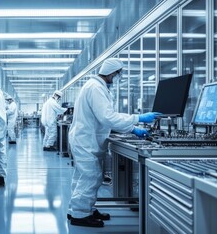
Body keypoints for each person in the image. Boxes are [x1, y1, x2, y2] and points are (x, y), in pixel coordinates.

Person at [67, 58, 160, 227]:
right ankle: (80, 215)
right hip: (85, 140)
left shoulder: (97, 87)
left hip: (86, 139)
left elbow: (106, 115)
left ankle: (81, 208)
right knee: (91, 176)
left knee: (83, 176)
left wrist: (131, 127)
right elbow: (107, 117)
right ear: (112, 73)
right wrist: (137, 120)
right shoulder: (95, 88)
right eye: (119, 74)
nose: (119, 77)